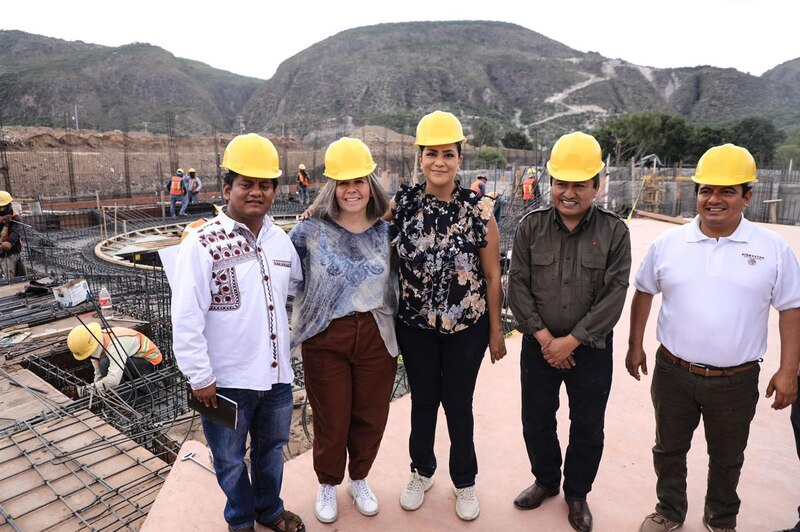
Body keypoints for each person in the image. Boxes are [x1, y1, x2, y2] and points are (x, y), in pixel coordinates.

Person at [626, 143, 800, 532]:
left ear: (746, 196)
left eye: (727, 191)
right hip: (674, 372)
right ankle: (669, 511)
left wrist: (790, 370)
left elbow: (792, 308)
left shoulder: (772, 250)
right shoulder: (668, 245)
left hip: (735, 380)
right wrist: (635, 345)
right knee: (668, 448)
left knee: (727, 455)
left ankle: (721, 519)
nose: (714, 199)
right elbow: (644, 291)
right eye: (706, 190)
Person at [171, 133, 306, 532]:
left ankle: (269, 509)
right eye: (246, 183)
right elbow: (186, 315)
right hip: (224, 381)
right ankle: (241, 520)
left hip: (276, 378)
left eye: (265, 184)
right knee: (230, 459)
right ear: (227, 188)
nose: (256, 192)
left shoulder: (280, 241)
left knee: (270, 451)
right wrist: (200, 376)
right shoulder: (201, 242)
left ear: (274, 192)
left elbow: (298, 287)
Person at [507, 131, 631, 532]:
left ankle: (577, 493)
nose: (569, 192)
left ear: (598, 184)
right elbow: (517, 286)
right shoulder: (531, 227)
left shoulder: (615, 232)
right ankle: (546, 480)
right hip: (539, 347)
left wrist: (572, 340)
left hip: (590, 349)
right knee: (537, 420)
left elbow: (614, 295)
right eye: (562, 183)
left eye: (580, 183)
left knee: (587, 424)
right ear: (551, 184)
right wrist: (546, 339)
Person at [392, 110, 507, 522]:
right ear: (419, 157)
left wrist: (496, 333)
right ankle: (421, 472)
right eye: (431, 154)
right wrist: (315, 217)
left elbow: (493, 275)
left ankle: (464, 481)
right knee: (422, 402)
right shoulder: (403, 205)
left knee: (458, 405)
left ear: (460, 158)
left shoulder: (478, 210)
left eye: (448, 154)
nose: (439, 161)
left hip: (466, 330)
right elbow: (360, 226)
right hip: (416, 327)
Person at [289, 137, 398, 524]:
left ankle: (360, 478)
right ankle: (327, 484)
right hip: (325, 337)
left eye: (359, 181)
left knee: (370, 416)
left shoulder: (387, 232)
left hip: (375, 334)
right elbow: (289, 283)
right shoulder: (307, 233)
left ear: (371, 184)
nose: (352, 190)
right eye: (343, 182)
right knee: (331, 417)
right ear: (332, 187)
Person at [64, 321, 162, 398]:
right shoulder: (96, 342)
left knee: (105, 363)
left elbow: (114, 380)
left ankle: (130, 398)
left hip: (151, 369)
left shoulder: (114, 344)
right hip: (134, 361)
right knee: (104, 363)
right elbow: (98, 375)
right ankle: (124, 393)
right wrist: (90, 393)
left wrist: (82, 391)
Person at [0, 191, 24, 279]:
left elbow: (16, 231)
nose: (1, 209)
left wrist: (10, 242)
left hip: (10, 251)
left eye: (3, 207)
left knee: (9, 273)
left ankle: (10, 285)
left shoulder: (15, 218)